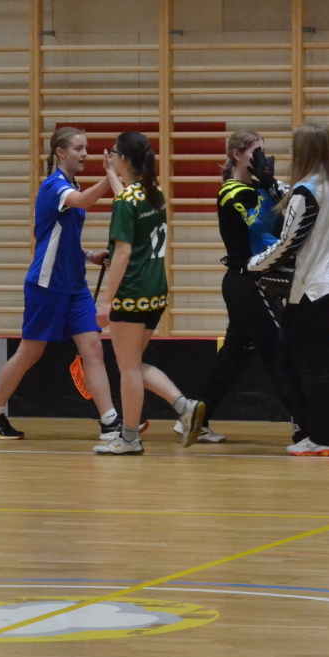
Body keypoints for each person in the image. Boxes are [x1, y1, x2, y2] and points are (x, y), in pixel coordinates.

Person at [0, 126, 121, 442]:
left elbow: (60, 238)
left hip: (75, 286)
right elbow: (82, 202)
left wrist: (89, 255)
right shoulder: (54, 186)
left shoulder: (71, 184)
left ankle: (110, 422)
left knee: (93, 348)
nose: (85, 154)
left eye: (86, 148)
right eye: (79, 148)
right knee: (30, 352)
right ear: (60, 152)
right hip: (46, 285)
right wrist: (110, 177)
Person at [92, 131, 206, 456]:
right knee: (133, 363)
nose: (110, 156)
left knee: (128, 368)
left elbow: (123, 252)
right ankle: (184, 406)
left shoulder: (125, 202)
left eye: (114, 153)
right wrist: (111, 175)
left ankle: (129, 437)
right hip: (156, 290)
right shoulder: (155, 194)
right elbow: (128, 201)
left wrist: (106, 300)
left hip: (132, 292)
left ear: (124, 158)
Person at [247, 123, 329, 456]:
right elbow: (295, 200)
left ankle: (326, 437)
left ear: (305, 151)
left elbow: (288, 242)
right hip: (324, 288)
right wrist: (270, 184)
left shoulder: (307, 191)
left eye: (294, 148)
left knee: (311, 368)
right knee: (298, 362)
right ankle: (317, 433)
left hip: (313, 291)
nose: (289, 153)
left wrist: (254, 264)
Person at [192, 130, 290, 445]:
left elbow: (280, 229)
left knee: (234, 356)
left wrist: (270, 187)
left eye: (264, 153)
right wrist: (267, 188)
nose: (261, 160)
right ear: (237, 155)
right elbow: (258, 224)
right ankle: (305, 421)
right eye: (255, 153)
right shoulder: (232, 192)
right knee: (279, 347)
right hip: (248, 282)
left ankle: (194, 417)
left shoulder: (254, 190)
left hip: (250, 283)